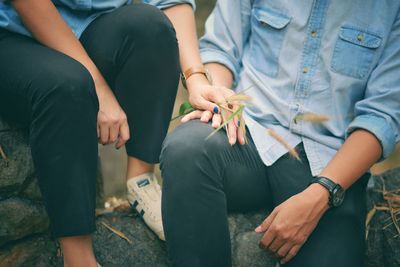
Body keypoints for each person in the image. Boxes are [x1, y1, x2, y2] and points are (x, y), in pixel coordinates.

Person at [159, 0, 400, 266]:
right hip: (248, 134)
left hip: (330, 161)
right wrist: (221, 96)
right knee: (186, 150)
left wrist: (323, 193)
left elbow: (383, 116)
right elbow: (221, 48)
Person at [0, 1, 182, 266]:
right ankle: (77, 256)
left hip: (82, 22)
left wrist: (196, 74)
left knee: (151, 27)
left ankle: (141, 181)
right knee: (68, 86)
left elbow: (170, 4)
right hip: (13, 33)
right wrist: (98, 87)